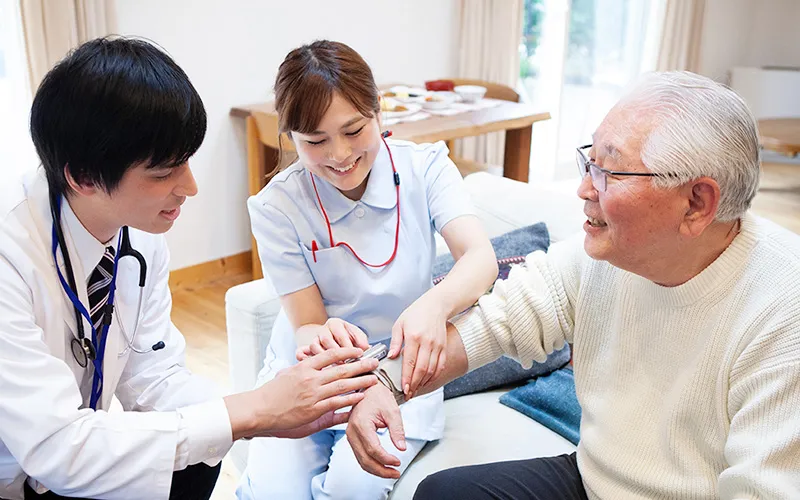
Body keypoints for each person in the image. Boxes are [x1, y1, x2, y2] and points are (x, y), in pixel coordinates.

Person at [345, 71, 800, 499]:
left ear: (697, 203)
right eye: (590, 159)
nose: (584, 189)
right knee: (442, 493)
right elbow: (497, 320)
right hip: (595, 482)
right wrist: (385, 383)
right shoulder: (603, 255)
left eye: (610, 171)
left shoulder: (783, 309)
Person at [0, 37, 380, 500]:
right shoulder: (11, 254)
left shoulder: (136, 232)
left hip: (65, 465)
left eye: (186, 163)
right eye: (163, 174)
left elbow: (153, 376)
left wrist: (272, 413)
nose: (191, 187)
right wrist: (252, 411)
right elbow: (56, 447)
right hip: (19, 473)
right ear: (82, 177)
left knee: (200, 453)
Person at [236, 40, 498, 500]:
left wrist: (433, 306)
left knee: (350, 491)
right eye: (314, 141)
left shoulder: (426, 166)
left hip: (400, 368)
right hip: (314, 369)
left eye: (354, 130)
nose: (339, 155)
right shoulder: (276, 205)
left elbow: (480, 259)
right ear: (291, 137)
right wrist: (321, 338)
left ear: (379, 113)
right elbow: (307, 323)